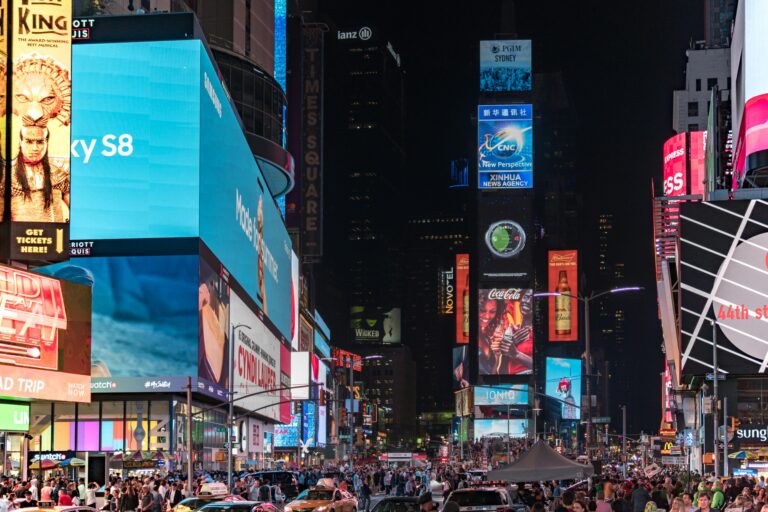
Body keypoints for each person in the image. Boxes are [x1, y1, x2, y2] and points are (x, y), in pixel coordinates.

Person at [10, 125, 70, 222]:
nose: (35, 148)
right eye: (29, 142)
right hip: (19, 236)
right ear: (21, 142)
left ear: (46, 143)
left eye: (40, 142)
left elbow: (78, 212)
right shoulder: (6, 177)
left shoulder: (58, 174)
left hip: (55, 235)